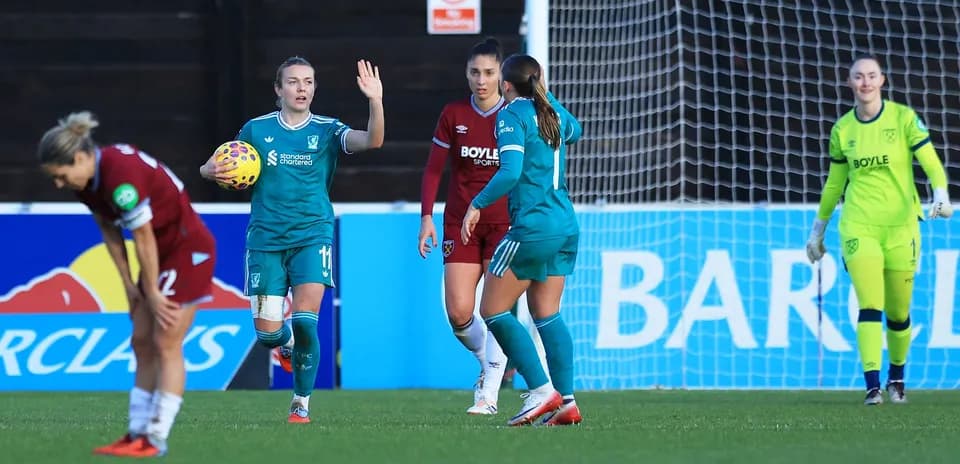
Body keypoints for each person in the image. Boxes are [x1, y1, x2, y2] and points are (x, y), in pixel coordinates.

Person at [200, 56, 384, 423]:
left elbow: (372, 140)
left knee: (304, 320)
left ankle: (301, 402)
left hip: (312, 235)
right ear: (278, 89)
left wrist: (375, 101)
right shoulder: (256, 129)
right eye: (293, 82)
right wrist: (209, 170)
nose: (302, 88)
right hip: (265, 240)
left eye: (308, 82)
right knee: (268, 334)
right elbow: (217, 165)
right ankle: (284, 345)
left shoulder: (328, 129)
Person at [38, 112, 216, 457]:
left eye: (61, 175)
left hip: (186, 250)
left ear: (80, 157)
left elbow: (143, 236)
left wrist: (152, 291)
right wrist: (129, 286)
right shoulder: (87, 183)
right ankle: (136, 432)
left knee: (166, 342)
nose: (59, 184)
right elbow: (109, 230)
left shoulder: (120, 176)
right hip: (159, 256)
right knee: (141, 340)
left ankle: (155, 438)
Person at [806, 56, 951, 405]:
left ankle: (896, 378)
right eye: (859, 77)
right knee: (870, 303)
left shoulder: (903, 118)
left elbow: (930, 160)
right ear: (850, 82)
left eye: (872, 76)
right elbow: (834, 184)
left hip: (902, 227)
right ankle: (872, 387)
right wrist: (817, 232)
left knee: (898, 312)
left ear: (882, 80)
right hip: (859, 225)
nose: (866, 83)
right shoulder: (843, 130)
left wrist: (941, 193)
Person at [462, 54, 583, 426]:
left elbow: (510, 171)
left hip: (532, 228)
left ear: (505, 85)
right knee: (547, 313)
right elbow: (576, 130)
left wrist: (476, 204)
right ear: (538, 81)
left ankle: (542, 391)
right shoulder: (553, 113)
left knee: (492, 310)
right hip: (565, 226)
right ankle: (567, 402)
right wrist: (545, 94)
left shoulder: (511, 114)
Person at [418, 37, 513, 415]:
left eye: (489, 72)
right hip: (460, 223)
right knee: (459, 312)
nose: (482, 80)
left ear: (501, 74)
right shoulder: (453, 114)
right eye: (475, 72)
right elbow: (433, 170)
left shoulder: (515, 115)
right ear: (466, 74)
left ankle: (488, 394)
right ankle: (491, 361)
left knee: (495, 310)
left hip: (505, 223)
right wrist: (426, 216)